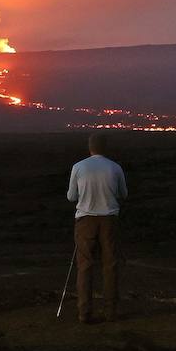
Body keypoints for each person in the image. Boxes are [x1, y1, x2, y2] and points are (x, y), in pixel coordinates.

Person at [67, 132, 128, 324]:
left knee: (84, 266)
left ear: (90, 147)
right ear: (105, 147)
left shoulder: (78, 167)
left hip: (85, 221)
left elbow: (71, 197)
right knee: (110, 264)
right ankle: (111, 312)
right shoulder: (115, 167)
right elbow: (123, 194)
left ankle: (84, 313)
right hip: (109, 219)